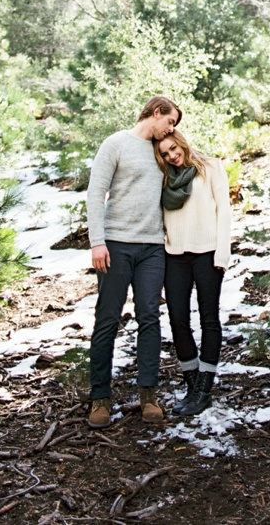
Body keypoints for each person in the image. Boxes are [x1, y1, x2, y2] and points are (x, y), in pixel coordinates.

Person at [85, 94, 181, 430]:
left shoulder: (161, 150)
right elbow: (96, 193)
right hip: (115, 245)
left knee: (150, 318)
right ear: (156, 113)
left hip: (152, 247)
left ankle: (148, 394)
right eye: (170, 121)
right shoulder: (116, 144)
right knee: (108, 320)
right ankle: (100, 398)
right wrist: (97, 241)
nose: (171, 129)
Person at [155, 129, 231, 416]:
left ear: (182, 143)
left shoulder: (211, 167)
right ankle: (191, 384)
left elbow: (224, 210)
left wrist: (223, 253)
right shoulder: (163, 177)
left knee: (209, 319)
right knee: (178, 320)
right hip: (175, 254)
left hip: (208, 253)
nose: (172, 156)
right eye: (164, 153)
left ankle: (204, 390)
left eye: (174, 149)